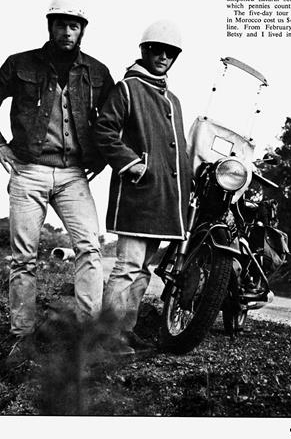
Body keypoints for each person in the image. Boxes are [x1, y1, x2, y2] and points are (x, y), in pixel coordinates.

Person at [0, 0, 114, 366]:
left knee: (90, 250)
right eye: (61, 24)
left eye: (75, 25)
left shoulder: (97, 72)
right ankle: (22, 340)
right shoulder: (21, 63)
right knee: (23, 258)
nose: (68, 31)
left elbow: (114, 120)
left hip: (73, 176)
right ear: (49, 26)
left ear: (83, 30)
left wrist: (99, 157)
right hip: (28, 170)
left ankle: (89, 339)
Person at [94, 20, 192, 354]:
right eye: (157, 50)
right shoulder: (127, 88)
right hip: (137, 195)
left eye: (170, 52)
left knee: (145, 268)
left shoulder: (173, 100)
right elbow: (104, 131)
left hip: (164, 200)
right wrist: (132, 163)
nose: (164, 56)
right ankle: (106, 336)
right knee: (127, 267)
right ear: (145, 51)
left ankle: (125, 330)